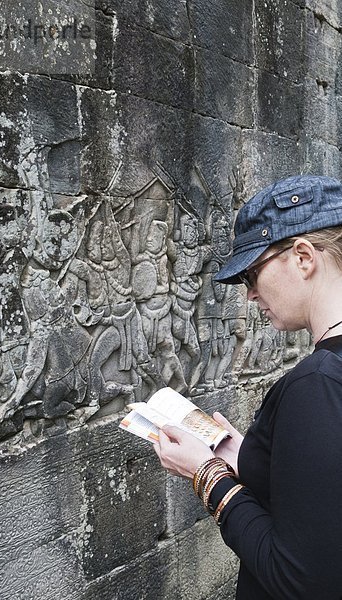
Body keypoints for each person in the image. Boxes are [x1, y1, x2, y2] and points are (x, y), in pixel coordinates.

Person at [154, 174, 342, 600]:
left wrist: (206, 473)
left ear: (303, 257)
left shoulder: (316, 383)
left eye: (253, 274)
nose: (251, 294)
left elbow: (300, 579)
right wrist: (253, 459)